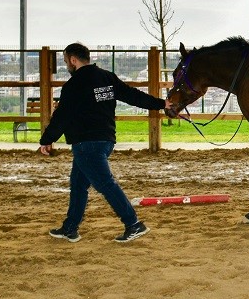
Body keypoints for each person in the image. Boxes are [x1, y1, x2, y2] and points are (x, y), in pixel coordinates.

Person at [38, 42, 166, 243]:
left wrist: (47, 140)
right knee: (79, 185)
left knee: (106, 184)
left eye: (65, 61)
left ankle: (133, 224)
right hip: (105, 140)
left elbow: (62, 116)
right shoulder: (106, 77)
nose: (66, 66)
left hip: (85, 143)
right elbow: (132, 96)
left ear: (73, 60)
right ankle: (70, 228)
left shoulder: (73, 85)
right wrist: (161, 104)